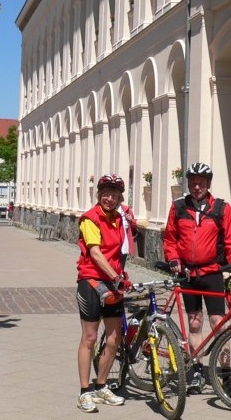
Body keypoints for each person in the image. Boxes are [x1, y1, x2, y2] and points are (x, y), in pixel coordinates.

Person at [163, 162, 231, 393]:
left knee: (219, 324)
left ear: (208, 184)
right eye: (193, 182)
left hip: (212, 273)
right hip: (188, 274)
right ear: (188, 184)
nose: (197, 186)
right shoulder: (178, 207)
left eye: (201, 182)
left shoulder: (221, 208)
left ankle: (226, 374)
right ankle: (198, 370)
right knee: (195, 323)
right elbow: (170, 238)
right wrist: (173, 258)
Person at [75, 174, 132, 413]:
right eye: (105, 194)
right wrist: (116, 277)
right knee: (89, 338)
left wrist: (122, 275)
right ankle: (84, 391)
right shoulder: (90, 218)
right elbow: (96, 254)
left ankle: (102, 385)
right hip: (91, 282)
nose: (109, 198)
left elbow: (124, 249)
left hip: (113, 284)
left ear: (120, 197)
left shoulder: (119, 218)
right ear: (99, 195)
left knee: (114, 338)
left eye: (114, 194)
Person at [117, 200, 137, 269]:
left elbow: (134, 227)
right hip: (113, 243)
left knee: (121, 265)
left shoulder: (126, 210)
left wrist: (131, 220)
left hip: (124, 243)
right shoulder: (108, 209)